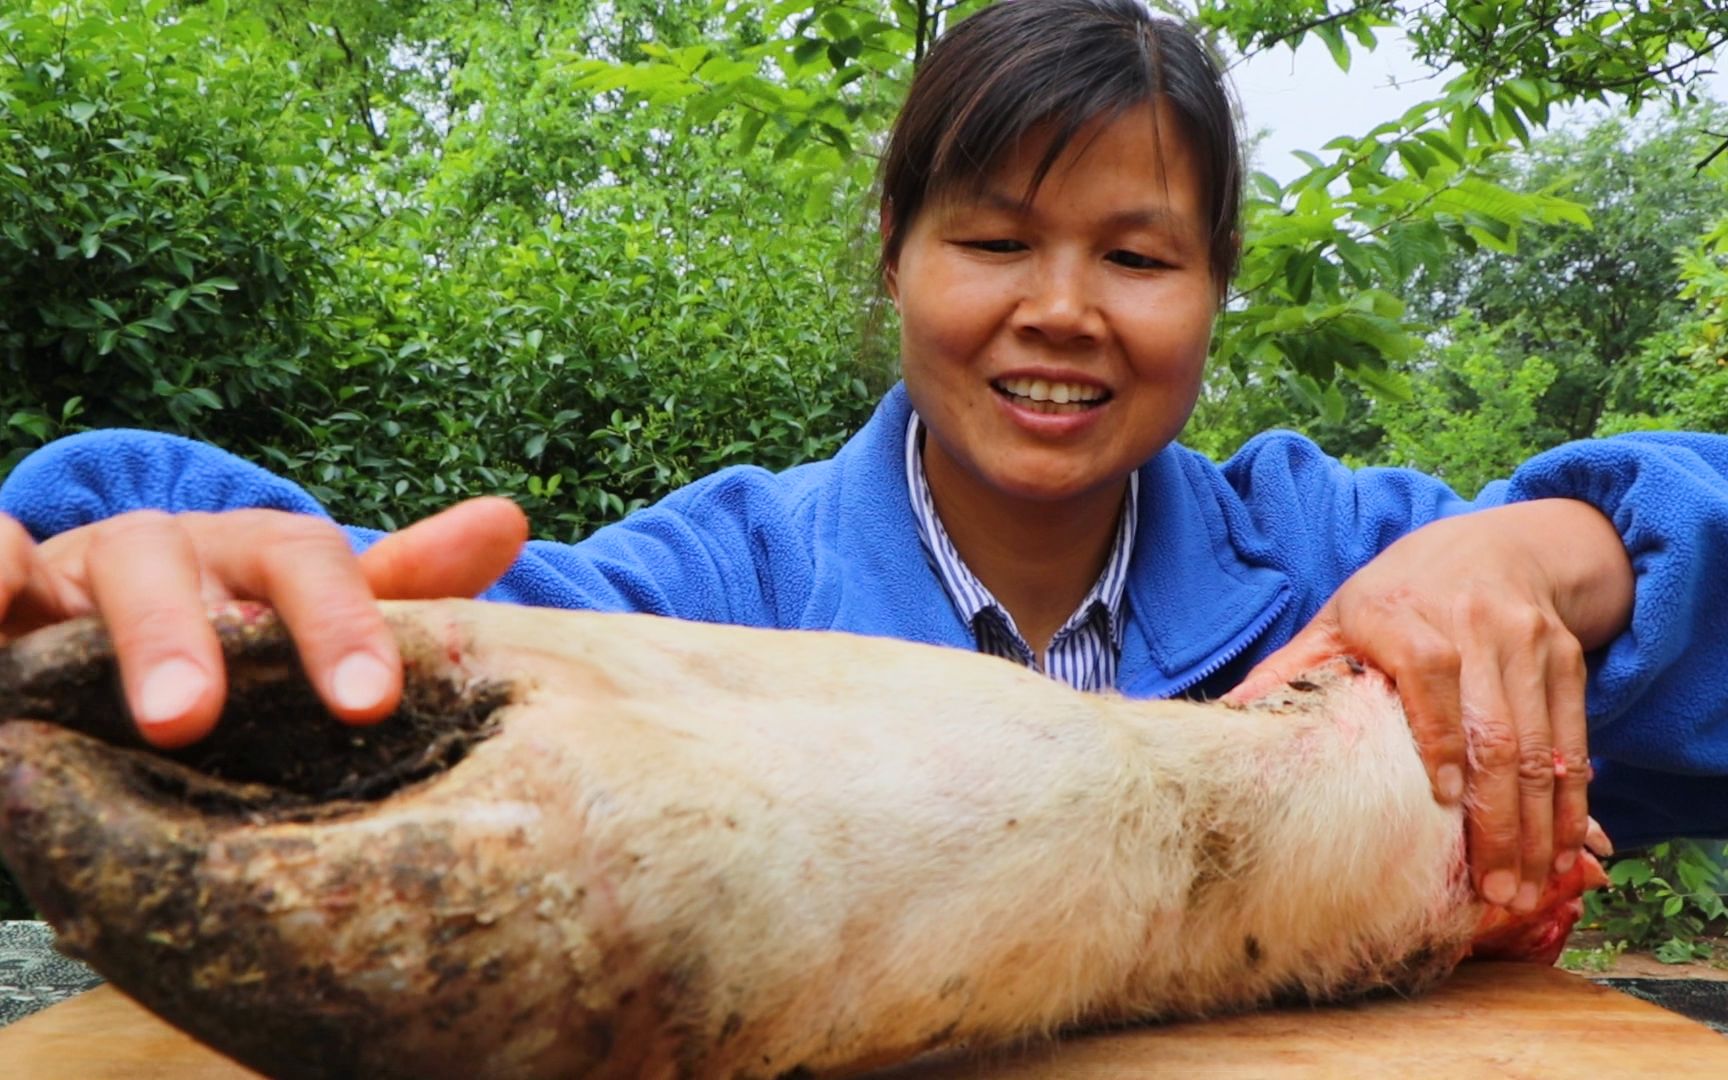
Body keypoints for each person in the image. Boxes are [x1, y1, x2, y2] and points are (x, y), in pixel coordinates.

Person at [2, 0, 1726, 919]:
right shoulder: (724, 588)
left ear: (1214, 298)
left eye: (1138, 258)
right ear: (895, 258)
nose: (1063, 312)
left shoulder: (1342, 559)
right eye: (992, 243)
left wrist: (1562, 548)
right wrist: (119, 558)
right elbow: (441, 638)